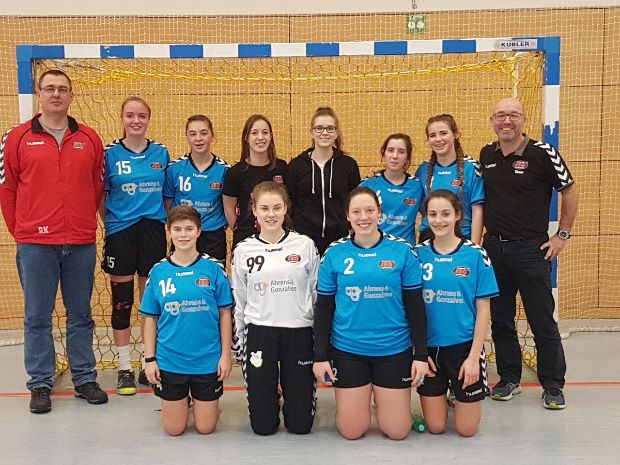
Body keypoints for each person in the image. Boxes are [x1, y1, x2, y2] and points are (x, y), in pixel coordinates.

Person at [0, 69, 108, 413]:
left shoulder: (89, 138)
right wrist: (23, 232)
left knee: (81, 315)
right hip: (35, 244)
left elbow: (96, 186)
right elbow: (7, 189)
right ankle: (40, 384)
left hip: (80, 242)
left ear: (71, 96)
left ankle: (84, 378)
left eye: (62, 89)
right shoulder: (16, 138)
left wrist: (81, 222)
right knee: (37, 317)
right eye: (49, 89)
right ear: (39, 94)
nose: (56, 94)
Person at [480, 98, 578, 410]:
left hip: (531, 251)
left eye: (513, 115)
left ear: (523, 119)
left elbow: (569, 190)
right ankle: (509, 378)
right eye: (500, 115)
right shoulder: (486, 154)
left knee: (541, 320)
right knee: (501, 320)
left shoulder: (542, 153)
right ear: (493, 120)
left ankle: (553, 385)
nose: (506, 121)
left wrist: (562, 235)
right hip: (494, 249)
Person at [313, 187, 430, 440]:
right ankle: (362, 402)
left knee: (397, 431)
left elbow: (415, 307)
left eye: (369, 210)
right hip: (348, 350)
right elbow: (323, 308)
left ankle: (389, 404)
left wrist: (420, 355)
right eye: (356, 211)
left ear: (380, 213)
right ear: (347, 216)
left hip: (393, 350)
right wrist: (320, 356)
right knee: (352, 431)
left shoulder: (402, 251)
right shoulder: (335, 252)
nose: (363, 217)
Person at [231, 181, 319, 435]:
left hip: (299, 331)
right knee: (263, 427)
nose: (271, 214)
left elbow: (316, 293)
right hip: (260, 332)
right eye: (265, 208)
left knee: (300, 426)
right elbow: (239, 299)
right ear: (254, 210)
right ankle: (268, 398)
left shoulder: (304, 245)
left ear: (285, 209)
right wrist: (239, 340)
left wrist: (319, 337)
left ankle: (299, 398)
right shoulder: (243, 250)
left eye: (277, 208)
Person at [140, 205, 233, 436]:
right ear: (169, 231)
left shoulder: (214, 269)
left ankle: (203, 406)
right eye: (178, 229)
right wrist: (149, 359)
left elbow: (225, 314)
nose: (183, 235)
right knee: (174, 429)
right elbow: (149, 318)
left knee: (205, 428)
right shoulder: (158, 272)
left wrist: (225, 356)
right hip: (170, 361)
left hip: (207, 360)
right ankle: (182, 405)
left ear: (199, 231)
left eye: (189, 229)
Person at [99, 96, 170, 395]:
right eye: (130, 115)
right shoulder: (109, 154)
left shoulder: (161, 152)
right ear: (122, 118)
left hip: (152, 230)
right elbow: (101, 197)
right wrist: (115, 222)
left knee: (150, 302)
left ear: (149, 119)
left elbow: (168, 197)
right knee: (122, 301)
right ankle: (125, 367)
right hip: (121, 232)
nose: (136, 120)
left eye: (141, 115)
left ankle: (147, 363)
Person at [414, 190, 498, 437]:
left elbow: (483, 310)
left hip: (464, 349)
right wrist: (418, 351)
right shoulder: (417, 254)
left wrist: (473, 358)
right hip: (430, 351)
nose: (438, 220)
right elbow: (408, 307)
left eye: (445, 214)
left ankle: (460, 397)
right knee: (436, 427)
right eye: (432, 214)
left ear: (458, 215)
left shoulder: (475, 254)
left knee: (466, 430)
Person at [286, 106, 361, 255]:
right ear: (312, 132)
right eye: (319, 128)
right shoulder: (296, 166)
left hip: (339, 239)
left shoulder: (348, 165)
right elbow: (289, 203)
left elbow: (355, 202)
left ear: (336, 133)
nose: (324, 132)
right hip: (303, 241)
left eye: (330, 128)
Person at [164, 115, 229, 263]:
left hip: (213, 236)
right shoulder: (174, 169)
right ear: (187, 137)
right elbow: (167, 205)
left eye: (204, 133)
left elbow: (228, 206)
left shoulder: (224, 170)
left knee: (212, 275)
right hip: (184, 235)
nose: (198, 138)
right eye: (192, 134)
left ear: (212, 136)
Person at [415, 114, 484, 244]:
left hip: (462, 238)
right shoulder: (423, 170)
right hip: (429, 238)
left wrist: (475, 247)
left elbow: (477, 210)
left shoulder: (471, 167)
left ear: (456, 134)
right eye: (432, 135)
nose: (438, 139)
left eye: (443, 133)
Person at [222, 115, 287, 248]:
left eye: (265, 132)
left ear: (271, 136)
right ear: (246, 138)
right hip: (246, 239)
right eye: (254, 133)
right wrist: (241, 229)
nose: (260, 137)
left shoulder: (282, 168)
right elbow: (228, 208)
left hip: (277, 238)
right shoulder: (235, 173)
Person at [360, 133, 424, 245]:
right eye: (390, 150)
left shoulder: (417, 186)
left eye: (401, 152)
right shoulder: (369, 184)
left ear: (407, 157)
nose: (395, 156)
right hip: (374, 248)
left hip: (405, 250)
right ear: (383, 153)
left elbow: (429, 213)